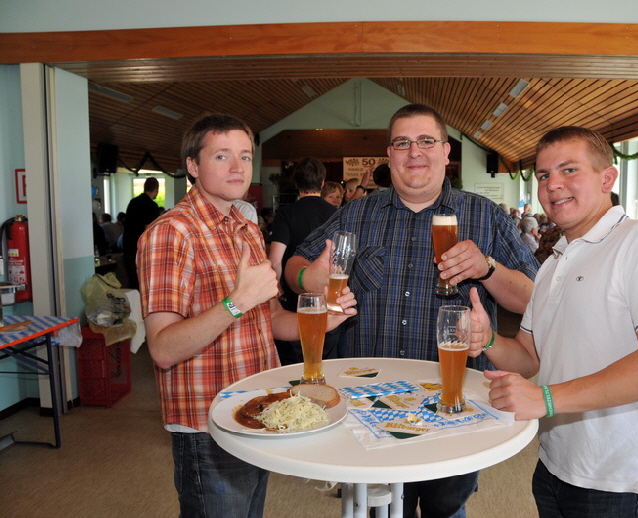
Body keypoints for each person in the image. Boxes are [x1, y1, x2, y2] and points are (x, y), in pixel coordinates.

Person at [285, 104, 538, 518]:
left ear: (446, 151)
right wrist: (307, 279)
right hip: (369, 406)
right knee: (376, 509)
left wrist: (487, 268)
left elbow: (533, 299)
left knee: (446, 510)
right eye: (402, 143)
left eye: (425, 141)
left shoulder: (485, 215)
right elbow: (295, 264)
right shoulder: (357, 213)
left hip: (454, 408)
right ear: (390, 155)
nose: (414, 152)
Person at [467, 126, 638, 518]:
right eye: (544, 175)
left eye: (569, 170)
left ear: (607, 178)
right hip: (556, 465)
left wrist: (546, 398)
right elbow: (529, 357)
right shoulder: (553, 262)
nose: (553, 184)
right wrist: (488, 339)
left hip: (623, 480)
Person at [136, 114, 356, 518]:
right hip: (206, 423)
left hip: (256, 410)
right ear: (192, 165)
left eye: (245, 156)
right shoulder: (171, 233)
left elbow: (269, 318)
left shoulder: (246, 229)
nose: (237, 167)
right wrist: (235, 301)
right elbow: (163, 348)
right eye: (221, 156)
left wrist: (323, 319)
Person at [269, 157, 338, 365]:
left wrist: (275, 290)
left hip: (293, 303)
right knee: (327, 363)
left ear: (296, 183)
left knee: (294, 367)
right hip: (328, 300)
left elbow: (275, 259)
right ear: (323, 183)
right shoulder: (336, 214)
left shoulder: (286, 213)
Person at [122, 177, 160, 289]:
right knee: (144, 282)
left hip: (129, 245)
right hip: (142, 248)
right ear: (156, 190)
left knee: (132, 281)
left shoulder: (133, 202)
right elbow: (149, 229)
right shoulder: (152, 206)